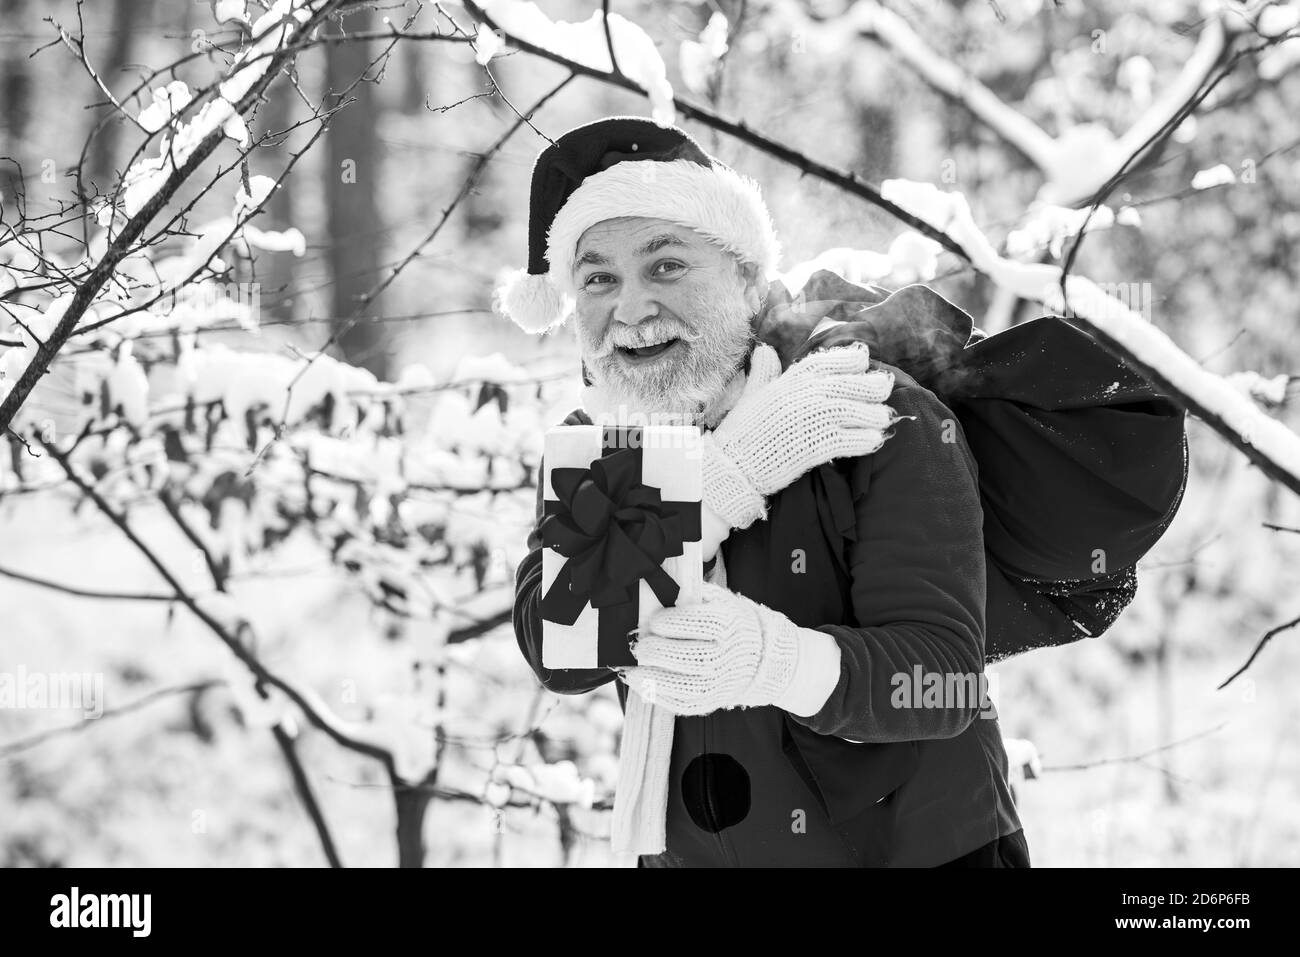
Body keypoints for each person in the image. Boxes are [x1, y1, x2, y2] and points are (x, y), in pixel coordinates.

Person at [501, 115, 1026, 867]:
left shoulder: (869, 406)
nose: (631, 307)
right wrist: (716, 487)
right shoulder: (605, 446)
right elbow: (559, 648)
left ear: (747, 277)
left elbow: (940, 684)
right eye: (598, 278)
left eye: (667, 265)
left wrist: (771, 660)